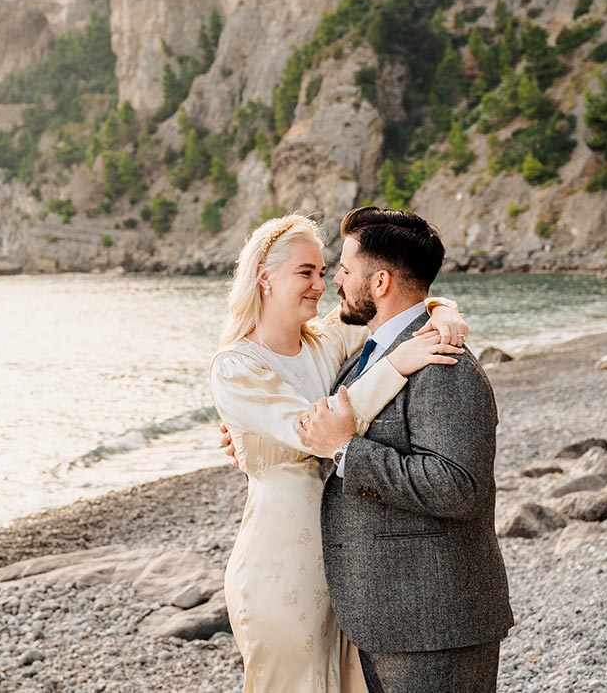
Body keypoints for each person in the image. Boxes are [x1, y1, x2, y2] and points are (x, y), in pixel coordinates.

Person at [209, 212, 470, 693]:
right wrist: (396, 365)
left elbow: (397, 300)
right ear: (264, 277)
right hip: (281, 562)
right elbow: (315, 430)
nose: (320, 284)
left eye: (324, 272)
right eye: (305, 272)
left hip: (349, 560)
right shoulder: (235, 366)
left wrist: (443, 310)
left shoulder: (328, 341)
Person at [293, 206, 514, 692]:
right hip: (386, 616)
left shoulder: (443, 364)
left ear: (380, 283)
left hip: (435, 624)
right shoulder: (368, 352)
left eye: (346, 271)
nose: (337, 282)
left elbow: (459, 488)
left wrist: (348, 451)